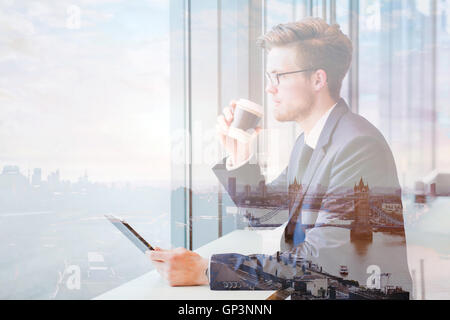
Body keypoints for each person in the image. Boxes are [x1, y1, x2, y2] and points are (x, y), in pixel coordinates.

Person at [148, 18, 412, 296]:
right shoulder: (309, 143)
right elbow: (267, 215)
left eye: (278, 76)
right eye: (268, 77)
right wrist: (240, 156)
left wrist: (205, 270)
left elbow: (322, 264)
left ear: (318, 79)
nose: (269, 88)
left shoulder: (358, 146)